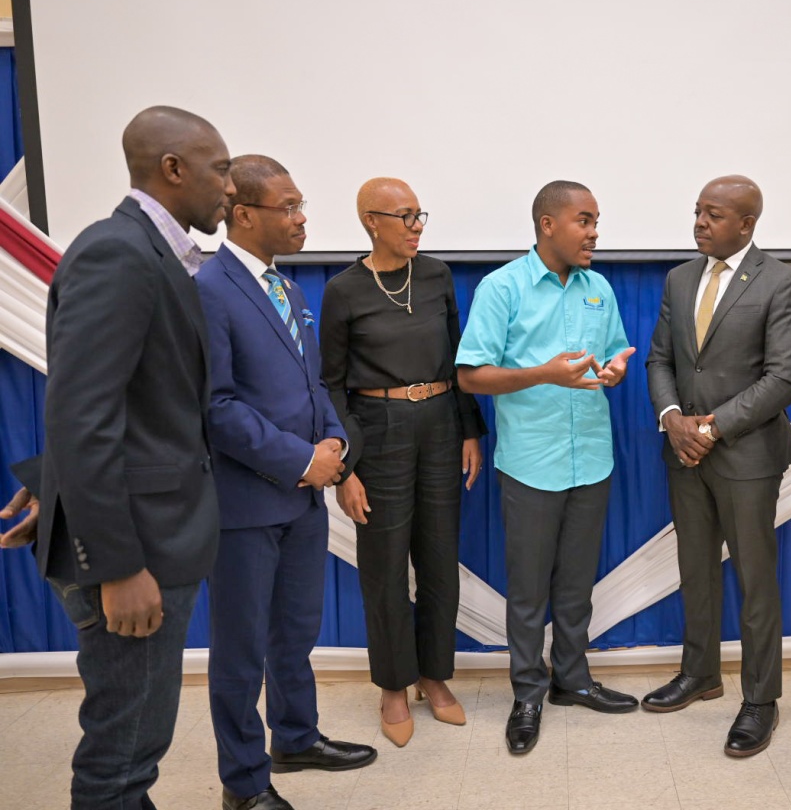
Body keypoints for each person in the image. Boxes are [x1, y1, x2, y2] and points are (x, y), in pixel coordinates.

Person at [10, 106, 232, 808]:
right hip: (136, 553)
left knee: (137, 747)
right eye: (221, 169)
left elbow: (118, 405)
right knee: (122, 756)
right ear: (173, 169)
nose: (231, 187)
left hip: (149, 534)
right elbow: (82, 412)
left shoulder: (152, 253)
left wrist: (57, 487)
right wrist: (116, 565)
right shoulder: (120, 252)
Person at [195, 155, 376, 810]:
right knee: (241, 650)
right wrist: (302, 459)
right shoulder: (208, 288)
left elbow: (313, 385)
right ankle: (244, 784)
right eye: (289, 207)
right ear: (243, 214)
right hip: (245, 504)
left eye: (301, 206)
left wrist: (334, 443)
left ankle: (295, 738)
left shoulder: (289, 289)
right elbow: (216, 407)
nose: (302, 219)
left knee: (295, 632)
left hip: (302, 501)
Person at [456, 180, 638, 754]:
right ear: (547, 224)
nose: (594, 233)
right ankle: (528, 693)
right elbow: (470, 376)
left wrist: (614, 372)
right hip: (531, 462)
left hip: (592, 458)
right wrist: (543, 374)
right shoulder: (501, 287)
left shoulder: (598, 287)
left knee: (576, 586)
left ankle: (573, 681)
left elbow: (612, 356)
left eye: (596, 221)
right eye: (584, 221)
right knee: (529, 591)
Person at [644, 175, 791, 757]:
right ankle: (700, 673)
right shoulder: (680, 278)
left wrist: (709, 428)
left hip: (745, 454)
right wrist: (672, 419)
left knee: (754, 578)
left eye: (713, 215)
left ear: (746, 224)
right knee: (695, 567)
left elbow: (784, 378)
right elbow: (660, 360)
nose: (700, 223)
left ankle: (761, 700)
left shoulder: (782, 281)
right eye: (697, 211)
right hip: (683, 449)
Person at [320, 177, 487, 746]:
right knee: (385, 565)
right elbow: (331, 385)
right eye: (405, 216)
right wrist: (346, 467)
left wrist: (469, 429)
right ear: (372, 221)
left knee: (439, 558)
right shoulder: (343, 290)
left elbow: (460, 357)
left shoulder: (436, 275)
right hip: (378, 429)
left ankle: (433, 677)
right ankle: (393, 685)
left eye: (420, 215)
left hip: (441, 424)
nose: (417, 227)